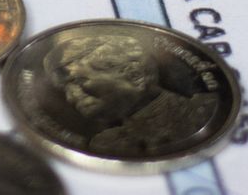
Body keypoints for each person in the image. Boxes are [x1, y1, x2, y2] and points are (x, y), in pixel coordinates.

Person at [50, 29, 220, 156]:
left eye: (79, 81)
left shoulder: (207, 108)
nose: (70, 97)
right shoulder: (107, 143)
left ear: (135, 75)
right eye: (65, 88)